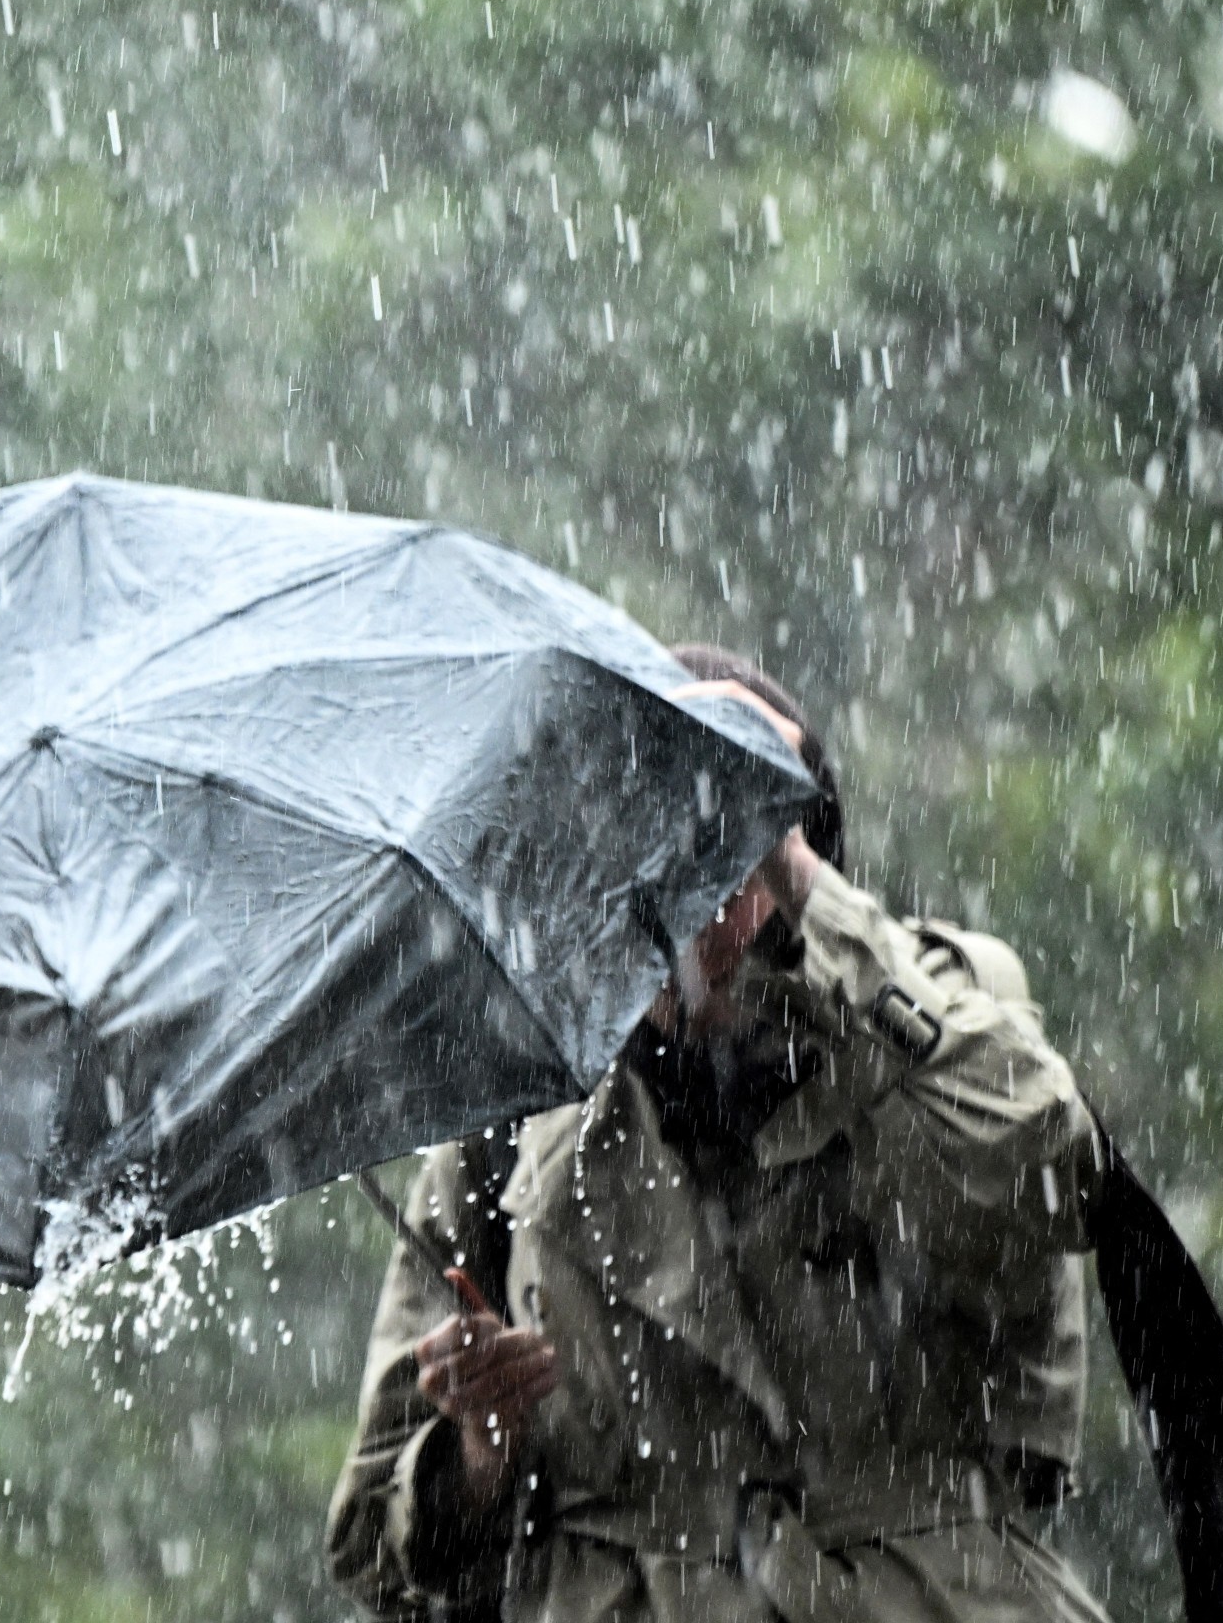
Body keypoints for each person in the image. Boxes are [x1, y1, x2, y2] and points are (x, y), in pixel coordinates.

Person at [325, 645, 1115, 1623]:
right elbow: (377, 1552)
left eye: (720, 834)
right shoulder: (516, 1125)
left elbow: (1052, 1176)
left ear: (802, 854)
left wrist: (800, 880)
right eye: (635, 835)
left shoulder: (934, 1013)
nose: (677, 879)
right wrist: (482, 1454)